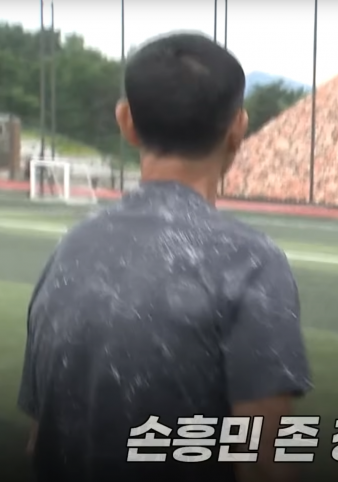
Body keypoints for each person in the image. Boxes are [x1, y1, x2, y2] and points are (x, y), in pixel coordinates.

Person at [17, 32, 311, 482]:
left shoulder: (69, 249)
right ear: (238, 128)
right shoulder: (250, 263)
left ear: (126, 121)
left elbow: (39, 441)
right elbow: (264, 463)